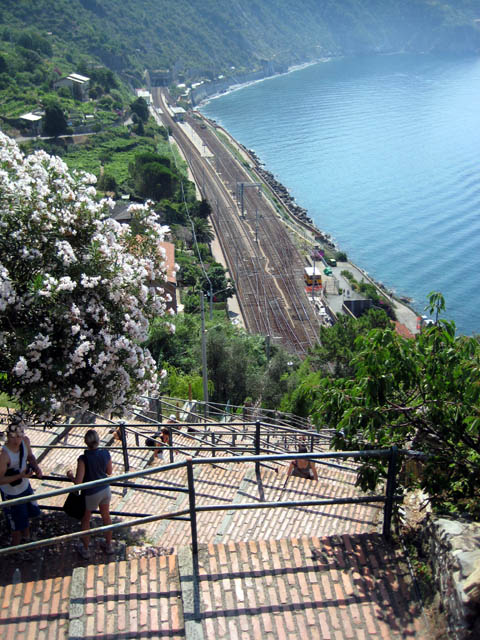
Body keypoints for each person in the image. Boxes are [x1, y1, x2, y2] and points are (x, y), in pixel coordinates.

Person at [67, 429, 113, 559]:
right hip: (105, 490)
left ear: (86, 442)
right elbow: (109, 472)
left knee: (86, 520)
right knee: (106, 517)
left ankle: (86, 549)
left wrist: (70, 476)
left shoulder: (83, 459)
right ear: (98, 440)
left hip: (91, 493)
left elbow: (78, 482)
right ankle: (109, 545)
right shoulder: (105, 453)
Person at [0, 417, 43, 546]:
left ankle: (27, 539)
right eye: (15, 436)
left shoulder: (25, 442)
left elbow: (30, 456)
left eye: (20, 435)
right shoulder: (4, 456)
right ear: (9, 437)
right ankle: (16, 549)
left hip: (25, 487)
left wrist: (36, 467)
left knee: (28, 515)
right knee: (16, 525)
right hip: (11, 493)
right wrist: (19, 476)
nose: (18, 439)